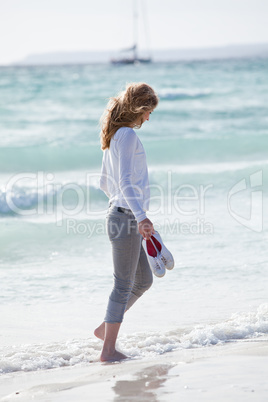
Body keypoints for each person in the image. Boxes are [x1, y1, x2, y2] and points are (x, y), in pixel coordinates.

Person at [94, 82, 159, 362]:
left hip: (119, 214)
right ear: (140, 108)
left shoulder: (113, 136)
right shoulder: (128, 136)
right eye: (148, 111)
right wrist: (140, 216)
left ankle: (104, 328)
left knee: (143, 280)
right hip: (126, 218)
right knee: (123, 285)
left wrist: (120, 206)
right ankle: (108, 351)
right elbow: (124, 182)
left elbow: (104, 182)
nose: (149, 117)